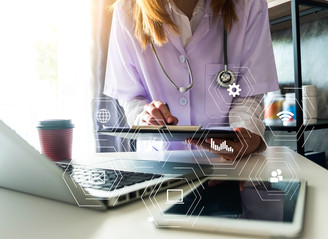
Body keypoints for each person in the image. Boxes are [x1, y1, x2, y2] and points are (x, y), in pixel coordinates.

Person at [104, 0, 279, 161]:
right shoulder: (127, 9)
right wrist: (146, 116)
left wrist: (245, 133)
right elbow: (130, 96)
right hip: (157, 166)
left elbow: (249, 93)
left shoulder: (249, 4)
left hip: (226, 166)